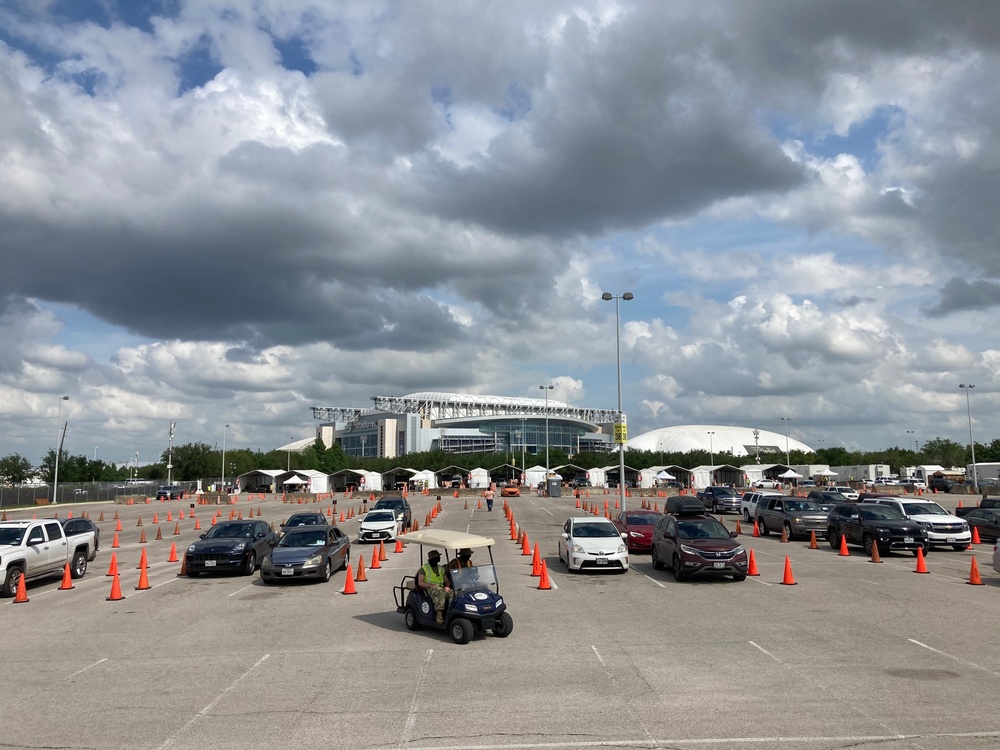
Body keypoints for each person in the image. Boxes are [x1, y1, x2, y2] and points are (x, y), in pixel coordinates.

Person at [416, 549, 452, 624]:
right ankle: (439, 616)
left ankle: (449, 612)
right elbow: (420, 582)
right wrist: (429, 585)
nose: (439, 558)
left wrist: (447, 586)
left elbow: (447, 581)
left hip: (440, 587)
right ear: (433, 559)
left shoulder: (441, 568)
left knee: (452, 593)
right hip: (428, 588)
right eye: (437, 557)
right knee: (440, 592)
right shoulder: (424, 568)